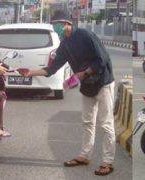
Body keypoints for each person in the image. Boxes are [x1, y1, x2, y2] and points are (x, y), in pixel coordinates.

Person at [18, 10, 115, 176]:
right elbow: (52, 68)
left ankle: (107, 161)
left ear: (66, 23)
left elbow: (103, 58)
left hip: (103, 82)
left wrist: (85, 73)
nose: (55, 27)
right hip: (86, 85)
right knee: (87, 122)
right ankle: (85, 155)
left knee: (106, 123)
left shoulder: (85, 35)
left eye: (57, 24)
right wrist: (30, 73)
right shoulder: (65, 44)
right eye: (53, 24)